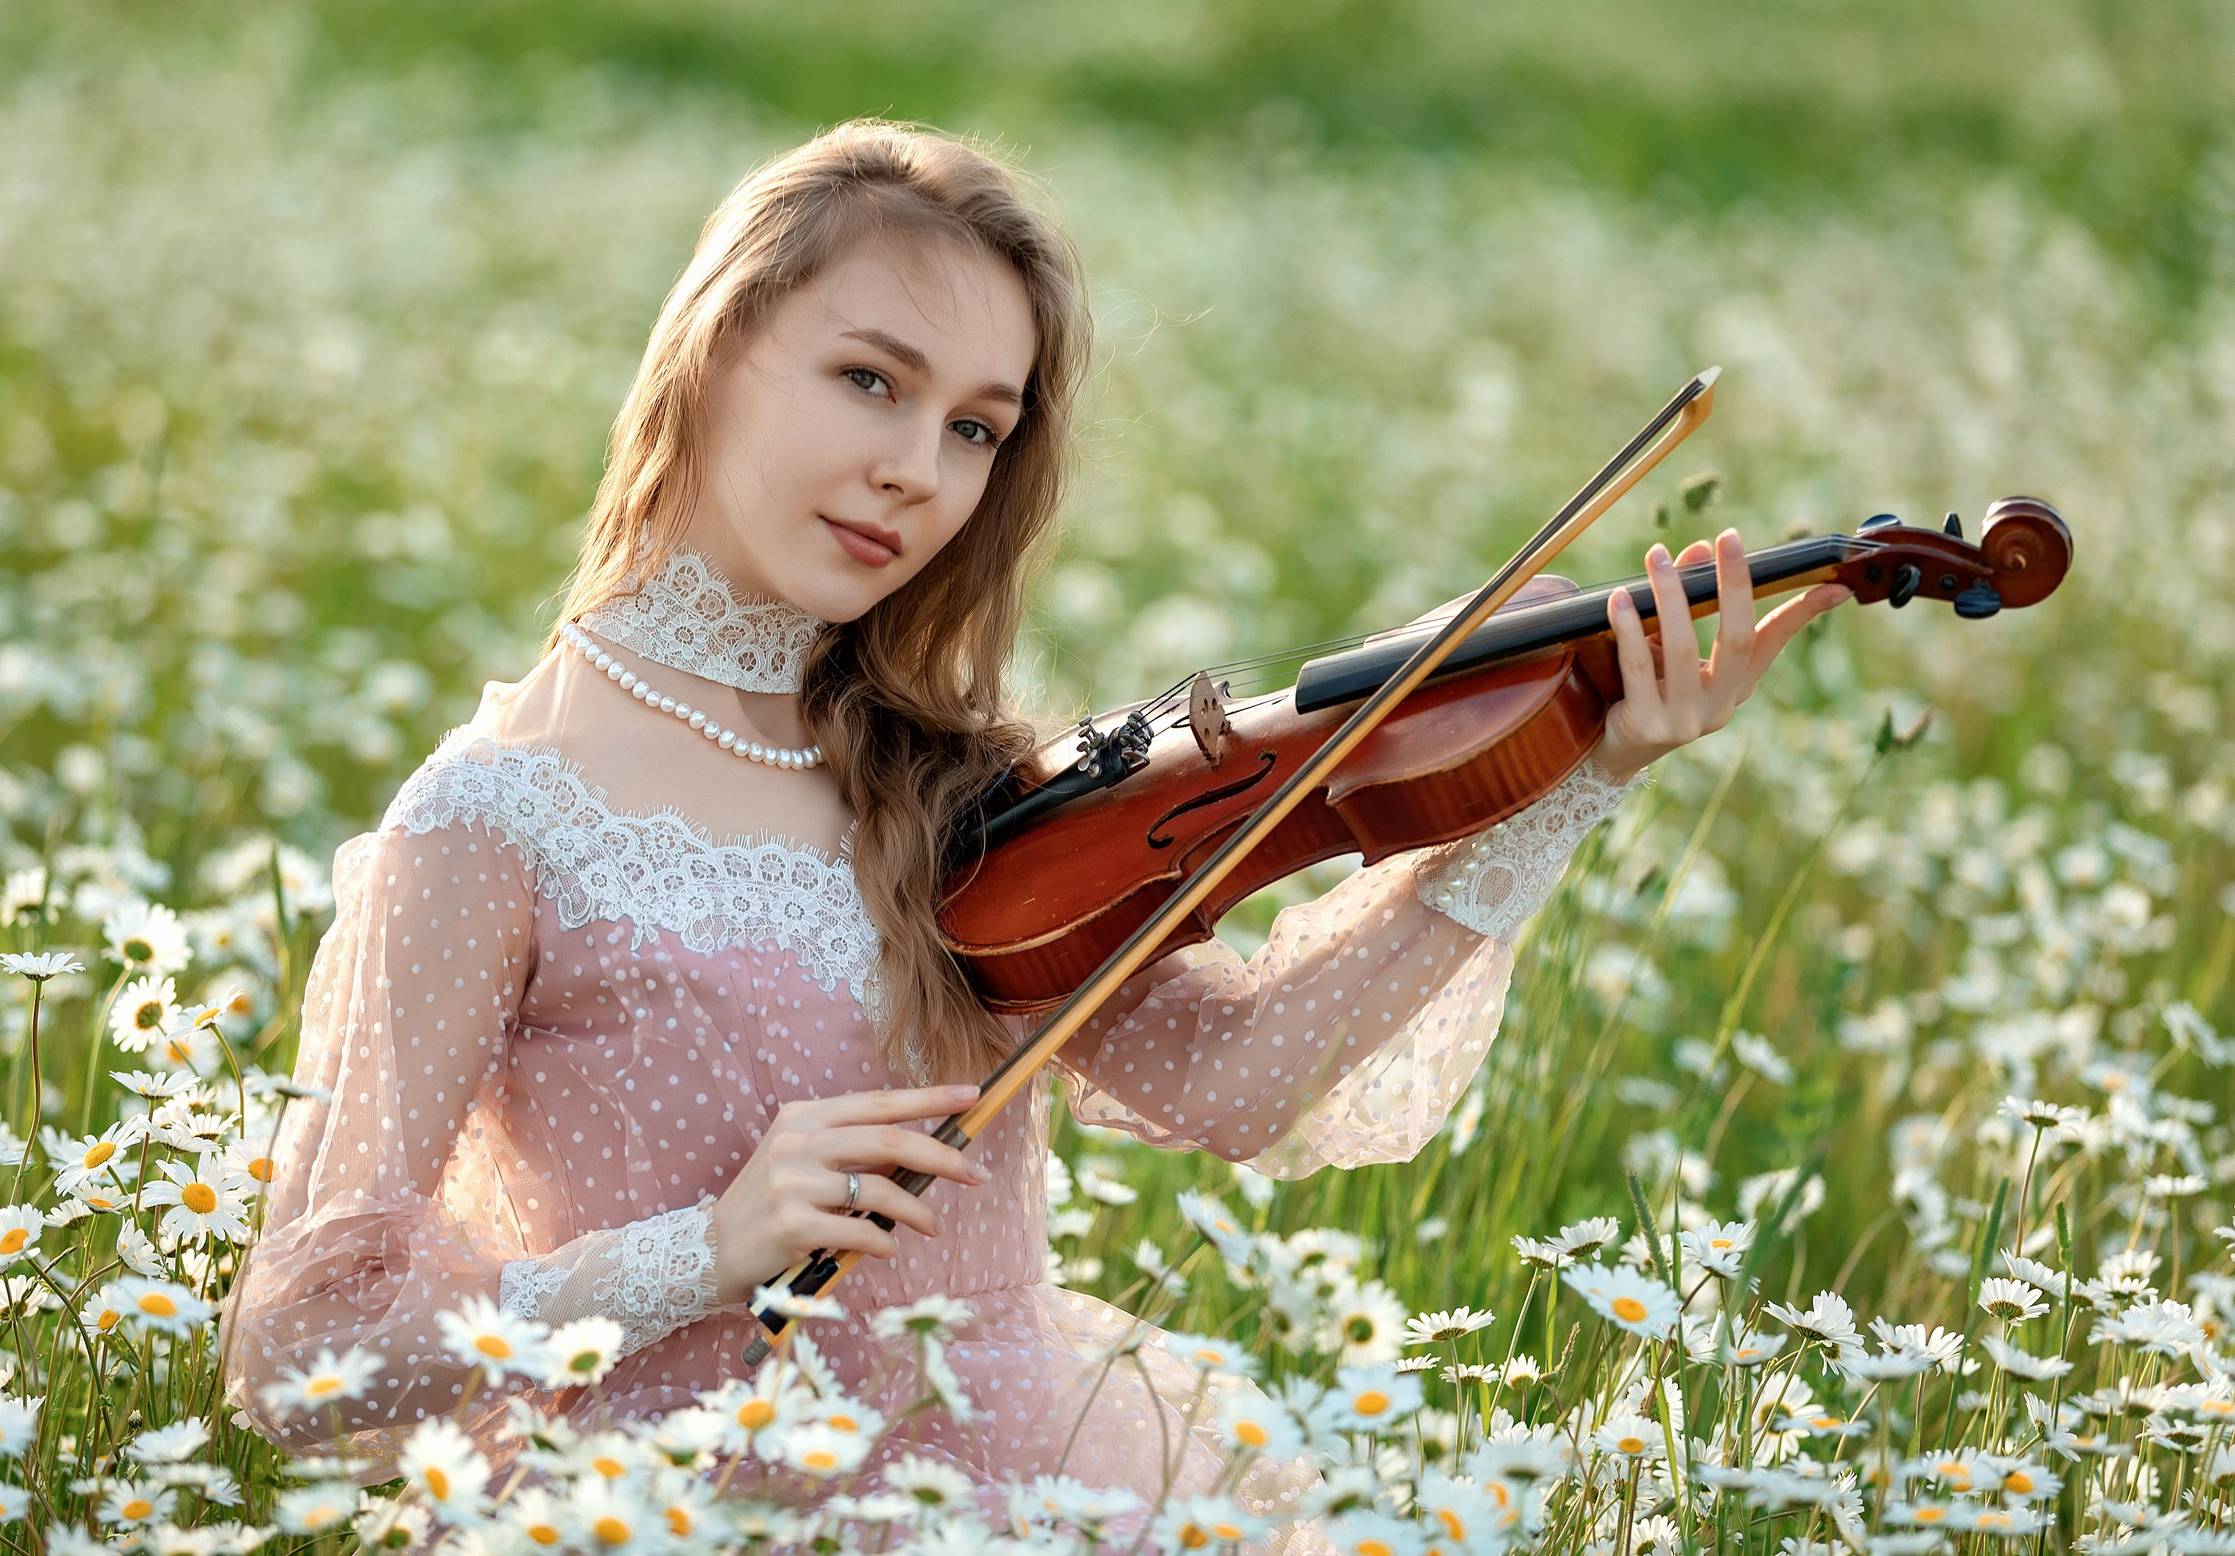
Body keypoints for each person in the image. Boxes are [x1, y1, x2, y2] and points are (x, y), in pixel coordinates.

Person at [221, 120, 1847, 1513]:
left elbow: (1230, 1082)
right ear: (711, 349)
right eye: (869, 379)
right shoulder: (491, 819)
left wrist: (1572, 781)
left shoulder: (962, 790)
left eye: (975, 429)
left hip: (1022, 1493)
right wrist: (702, 1249)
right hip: (678, 1515)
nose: (915, 471)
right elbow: (296, 1361)